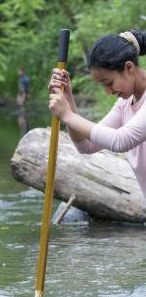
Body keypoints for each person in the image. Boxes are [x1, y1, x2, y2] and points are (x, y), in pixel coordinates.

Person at [48, 29, 146, 198]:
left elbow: (121, 140)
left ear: (129, 67)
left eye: (109, 82)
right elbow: (86, 145)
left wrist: (67, 115)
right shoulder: (125, 104)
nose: (108, 91)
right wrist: (68, 98)